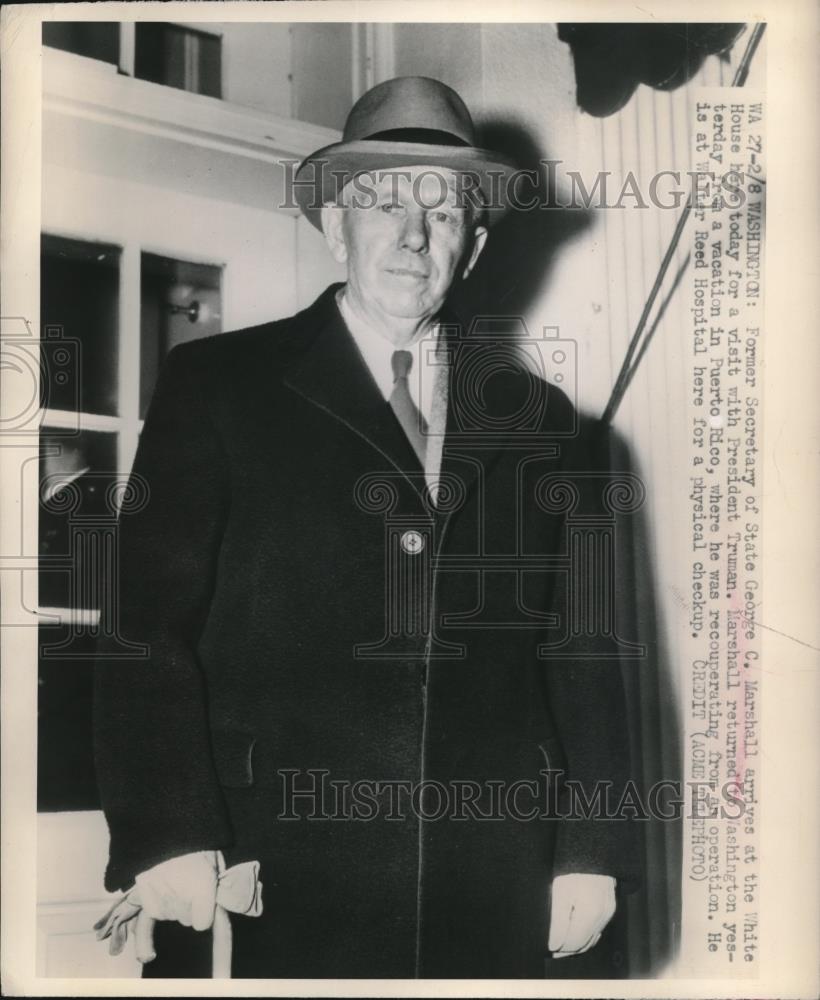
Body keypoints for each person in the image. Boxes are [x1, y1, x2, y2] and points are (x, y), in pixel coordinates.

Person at [94, 76, 640, 979]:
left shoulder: (544, 424)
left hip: (494, 876)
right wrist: (168, 830)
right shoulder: (220, 386)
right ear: (333, 223)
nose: (414, 235)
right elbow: (141, 625)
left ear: (474, 247)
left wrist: (594, 849)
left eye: (446, 211)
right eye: (384, 202)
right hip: (268, 870)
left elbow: (583, 651)